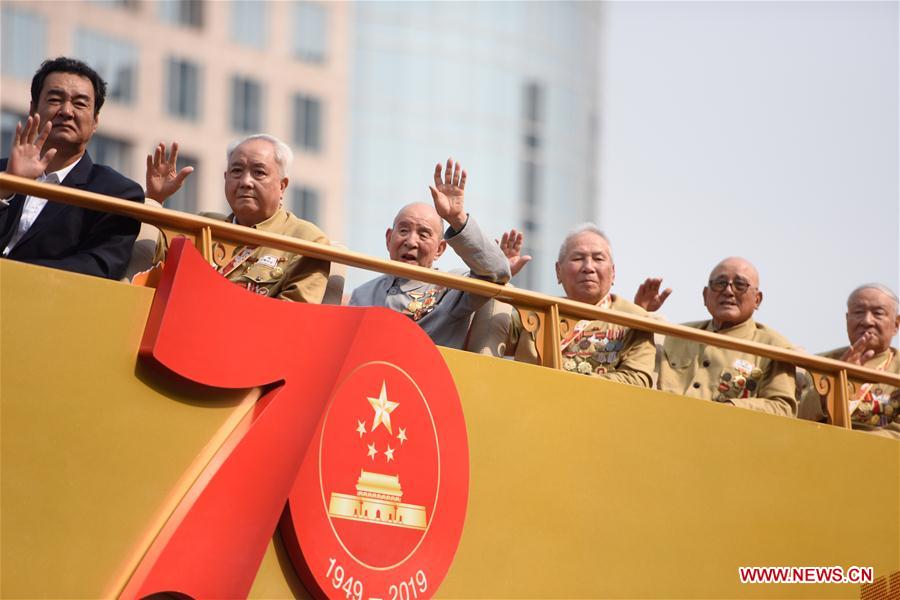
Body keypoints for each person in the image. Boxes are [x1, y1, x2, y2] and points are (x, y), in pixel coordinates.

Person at [0, 57, 143, 279]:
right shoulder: (4, 174)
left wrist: (16, 275)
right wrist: (7, 187)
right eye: (55, 99)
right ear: (33, 109)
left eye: (80, 103)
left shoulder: (117, 193)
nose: (66, 111)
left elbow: (99, 267)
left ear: (95, 121)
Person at [349, 158, 511, 349]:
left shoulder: (452, 286)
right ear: (388, 238)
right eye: (403, 231)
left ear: (439, 249)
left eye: (423, 234)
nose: (411, 241)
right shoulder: (362, 295)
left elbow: (497, 272)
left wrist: (457, 218)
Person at [146, 135, 329, 303]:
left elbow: (291, 319)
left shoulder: (307, 240)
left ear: (282, 185)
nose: (245, 182)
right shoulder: (202, 226)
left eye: (259, 172)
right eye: (237, 171)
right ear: (226, 178)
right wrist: (154, 200)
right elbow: (150, 262)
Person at [508, 224, 656, 387]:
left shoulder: (635, 319)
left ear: (613, 272)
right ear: (558, 271)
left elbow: (637, 381)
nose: (588, 268)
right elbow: (488, 334)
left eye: (598, 259)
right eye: (578, 258)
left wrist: (570, 381)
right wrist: (497, 275)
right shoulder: (536, 311)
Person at [655, 257, 797, 416]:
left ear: (757, 299)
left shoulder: (775, 348)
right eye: (720, 283)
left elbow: (782, 408)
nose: (728, 291)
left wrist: (732, 408)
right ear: (705, 295)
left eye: (740, 285)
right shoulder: (677, 335)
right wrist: (641, 311)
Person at [798, 284, 900, 438]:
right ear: (847, 319)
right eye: (858, 312)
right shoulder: (819, 362)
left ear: (896, 324)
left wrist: (851, 443)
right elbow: (797, 414)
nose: (867, 321)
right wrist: (837, 381)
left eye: (878, 313)